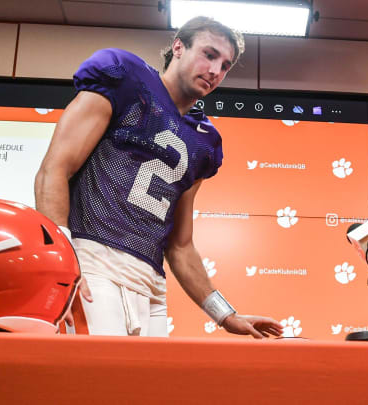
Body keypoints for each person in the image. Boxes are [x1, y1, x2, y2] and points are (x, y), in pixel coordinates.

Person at [35, 16, 282, 339]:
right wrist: (61, 265)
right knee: (97, 382)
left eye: (225, 65)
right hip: (92, 260)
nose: (215, 71)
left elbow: (180, 245)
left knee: (143, 388)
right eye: (209, 54)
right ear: (178, 46)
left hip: (151, 283)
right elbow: (54, 169)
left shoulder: (204, 140)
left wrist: (225, 315)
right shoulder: (127, 79)